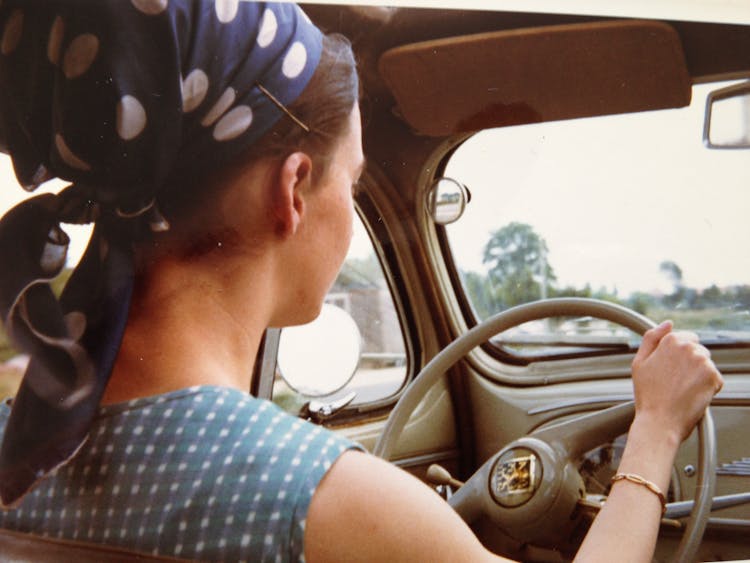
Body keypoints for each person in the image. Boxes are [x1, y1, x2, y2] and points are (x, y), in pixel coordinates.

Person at [0, 1, 722, 562]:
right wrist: (656, 430)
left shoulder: (17, 445)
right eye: (352, 180)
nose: (348, 208)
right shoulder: (318, 495)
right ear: (293, 189)